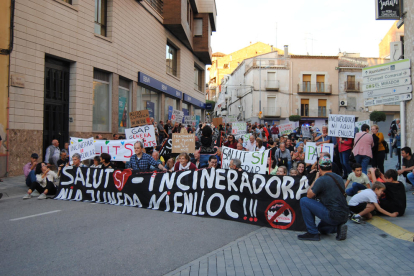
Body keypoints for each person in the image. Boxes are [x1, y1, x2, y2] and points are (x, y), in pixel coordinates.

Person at [298, 157, 348, 241]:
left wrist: (316, 178)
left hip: (332, 215)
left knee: (304, 201)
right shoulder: (339, 178)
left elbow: (309, 195)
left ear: (319, 167)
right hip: (344, 215)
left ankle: (312, 233)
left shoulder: (322, 180)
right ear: (331, 166)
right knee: (321, 228)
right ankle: (338, 227)